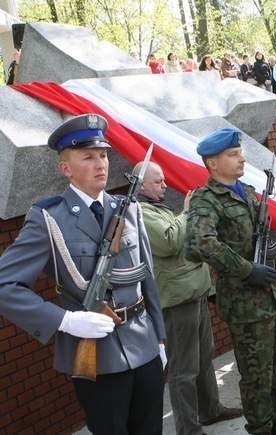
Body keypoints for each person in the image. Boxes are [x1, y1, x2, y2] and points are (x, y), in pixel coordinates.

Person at [0, 114, 166, 434]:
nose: (100, 163)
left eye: (102, 155)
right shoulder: (48, 218)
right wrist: (65, 321)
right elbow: (5, 285)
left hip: (144, 345)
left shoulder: (127, 209)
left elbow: (148, 279)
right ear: (66, 168)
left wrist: (160, 337)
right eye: (88, 156)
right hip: (96, 356)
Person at [185, 128, 276, 435]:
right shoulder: (206, 201)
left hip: (271, 295)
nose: (241, 157)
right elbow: (200, 243)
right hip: (245, 303)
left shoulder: (246, 190)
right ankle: (262, 428)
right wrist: (247, 269)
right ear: (213, 163)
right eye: (233, 154)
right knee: (257, 375)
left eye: (240, 152)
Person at [136, 162, 243, 435]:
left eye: (163, 180)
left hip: (195, 292)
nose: (164, 185)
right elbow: (170, 241)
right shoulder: (142, 212)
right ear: (141, 184)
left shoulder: (158, 208)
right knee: (184, 370)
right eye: (158, 181)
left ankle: (210, 409)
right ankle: (188, 429)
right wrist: (187, 211)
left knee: (204, 358)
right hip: (177, 301)